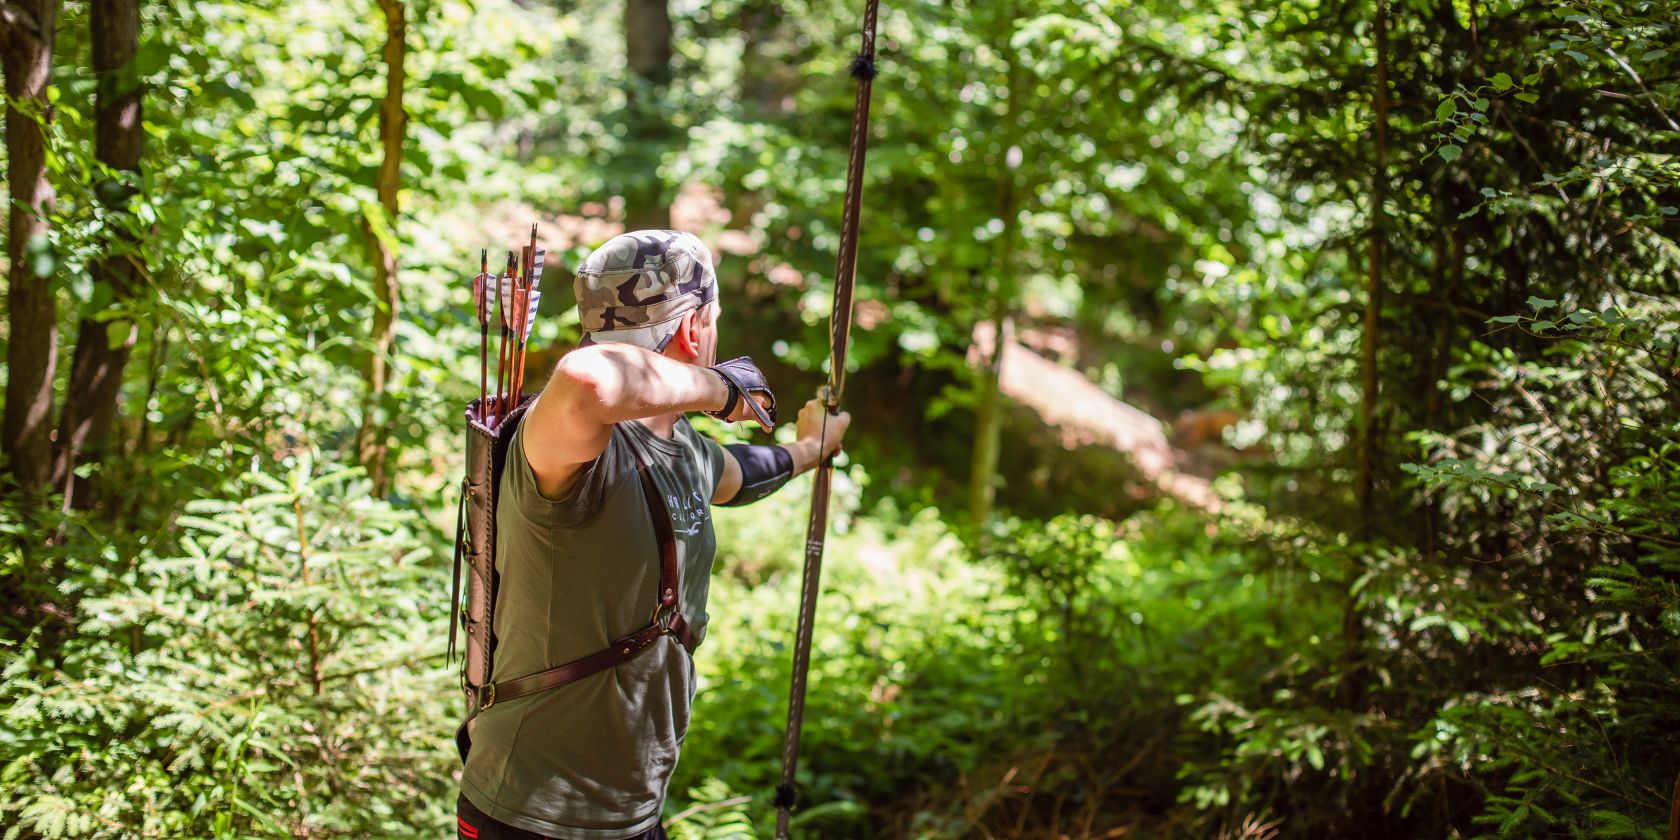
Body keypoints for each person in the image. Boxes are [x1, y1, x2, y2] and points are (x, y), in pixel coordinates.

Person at [456, 230, 850, 840]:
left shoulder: (682, 447)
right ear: (696, 327)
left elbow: (738, 475)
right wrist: (725, 390)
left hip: (632, 813)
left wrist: (811, 448)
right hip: (534, 815)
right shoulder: (570, 441)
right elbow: (590, 380)